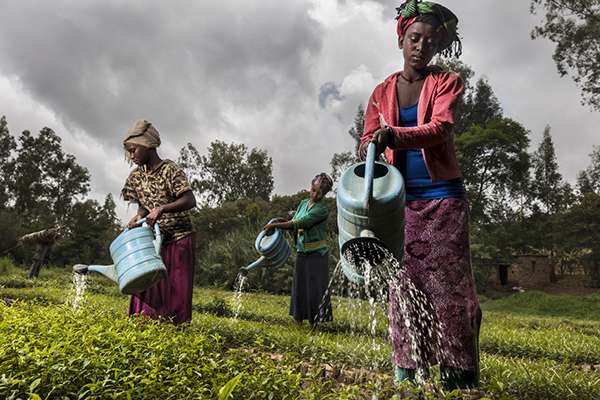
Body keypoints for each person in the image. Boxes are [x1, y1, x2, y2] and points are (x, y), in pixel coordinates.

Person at [358, 0, 481, 390]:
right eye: (414, 38)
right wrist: (369, 148)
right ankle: (409, 370)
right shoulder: (380, 92)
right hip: (399, 205)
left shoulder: (446, 82)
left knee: (446, 286)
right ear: (401, 39)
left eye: (429, 42)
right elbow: (366, 140)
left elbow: (440, 127)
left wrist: (394, 135)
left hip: (443, 198)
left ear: (437, 47)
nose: (420, 47)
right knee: (403, 286)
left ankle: (456, 373)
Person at [121, 119, 197, 325]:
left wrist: (162, 208)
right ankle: (147, 325)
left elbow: (190, 200)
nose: (131, 156)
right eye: (128, 151)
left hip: (179, 239)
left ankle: (176, 329)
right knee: (147, 284)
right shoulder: (135, 177)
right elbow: (143, 208)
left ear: (148, 145)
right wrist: (138, 218)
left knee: (176, 289)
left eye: (133, 150)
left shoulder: (170, 170)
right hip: (152, 240)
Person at [263, 173, 334, 328]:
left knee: (314, 290)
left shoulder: (321, 210)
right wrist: (279, 221)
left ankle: (314, 324)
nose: (314, 194)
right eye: (313, 190)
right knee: (299, 287)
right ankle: (298, 321)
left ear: (324, 194)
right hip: (302, 252)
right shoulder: (303, 203)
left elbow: (302, 223)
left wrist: (275, 226)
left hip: (317, 255)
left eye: (318, 192)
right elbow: (293, 219)